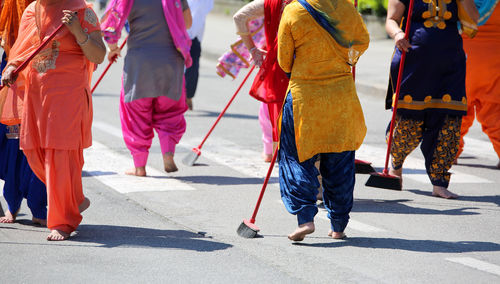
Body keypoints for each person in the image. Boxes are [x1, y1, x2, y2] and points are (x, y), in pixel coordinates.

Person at [1, 0, 106, 240]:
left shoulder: (82, 11)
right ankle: (74, 199)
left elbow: (98, 55)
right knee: (32, 150)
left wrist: (78, 32)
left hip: (68, 95)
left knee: (60, 154)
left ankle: (62, 222)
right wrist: (11, 68)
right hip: (36, 95)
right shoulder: (32, 10)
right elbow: (22, 51)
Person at [277, 0, 369, 241]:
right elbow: (363, 41)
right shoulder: (348, 9)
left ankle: (305, 219)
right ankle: (338, 226)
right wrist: (347, 60)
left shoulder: (294, 10)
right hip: (341, 96)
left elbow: (283, 59)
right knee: (340, 162)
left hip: (304, 97)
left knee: (297, 158)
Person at [385, 0, 478, 199]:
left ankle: (439, 183)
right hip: (413, 62)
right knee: (408, 123)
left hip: (450, 64)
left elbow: (473, 21)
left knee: (448, 123)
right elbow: (391, 20)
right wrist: (397, 34)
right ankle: (396, 165)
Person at [101, 0, 192, 176]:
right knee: (170, 111)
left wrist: (113, 49)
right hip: (171, 61)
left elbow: (110, 24)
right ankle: (168, 154)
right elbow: (187, 23)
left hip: (140, 63)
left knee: (136, 115)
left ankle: (139, 166)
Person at [0, 0, 47, 226]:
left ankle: (39, 204)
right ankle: (12, 203)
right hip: (12, 65)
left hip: (46, 67)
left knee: (40, 138)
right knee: (13, 136)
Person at [233, 0, 291, 161]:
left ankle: (274, 154)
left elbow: (239, 17)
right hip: (305, 69)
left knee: (273, 114)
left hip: (277, 68)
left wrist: (252, 49)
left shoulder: (271, 2)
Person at [457, 2, 500, 169]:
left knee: (457, 108)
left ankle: (449, 152)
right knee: (494, 110)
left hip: (463, 51)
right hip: (494, 56)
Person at [185, 0, 213, 110]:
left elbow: (198, 13)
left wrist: (188, 35)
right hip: (184, 33)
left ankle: (187, 96)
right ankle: (185, 97)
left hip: (189, 34)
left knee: (192, 66)